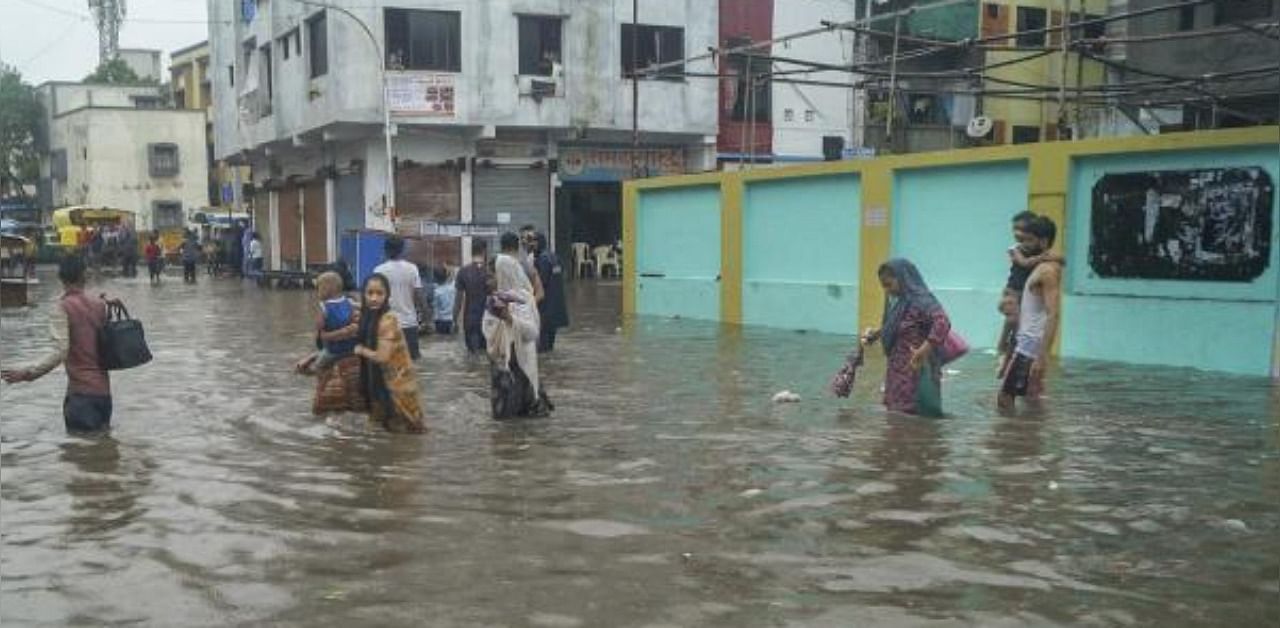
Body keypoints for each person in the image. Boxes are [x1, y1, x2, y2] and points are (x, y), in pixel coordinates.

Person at [2, 257, 114, 432]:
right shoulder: (100, 305)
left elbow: (60, 351)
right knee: (101, 450)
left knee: (79, 454)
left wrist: (27, 373)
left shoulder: (63, 307)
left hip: (81, 395)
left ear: (60, 278)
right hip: (104, 395)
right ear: (84, 277)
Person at [861, 259, 952, 417]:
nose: (887, 291)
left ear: (903, 278)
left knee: (916, 414)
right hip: (898, 370)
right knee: (897, 418)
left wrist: (923, 351)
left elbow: (942, 322)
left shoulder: (922, 300)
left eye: (889, 285)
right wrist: (875, 335)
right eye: (883, 286)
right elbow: (901, 326)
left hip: (916, 368)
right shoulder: (900, 303)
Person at [483, 233, 552, 419]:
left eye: (492, 276)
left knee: (518, 420)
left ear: (503, 274)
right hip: (502, 368)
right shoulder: (494, 300)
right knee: (502, 423)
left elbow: (532, 332)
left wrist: (509, 319)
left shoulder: (523, 300)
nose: (488, 281)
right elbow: (489, 332)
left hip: (520, 367)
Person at [999, 216, 1062, 412]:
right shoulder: (1041, 266)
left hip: (1030, 346)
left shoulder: (1047, 272)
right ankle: (1029, 438)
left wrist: (1042, 356)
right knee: (1031, 397)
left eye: (1028, 240)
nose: (1023, 244)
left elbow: (1053, 314)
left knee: (1005, 398)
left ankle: (1015, 439)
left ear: (1043, 242)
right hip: (1027, 342)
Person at [352, 273, 426, 433]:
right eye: (370, 293)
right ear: (363, 295)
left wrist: (361, 350)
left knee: (403, 433)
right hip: (379, 384)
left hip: (396, 389)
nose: (374, 298)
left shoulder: (388, 320)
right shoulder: (369, 315)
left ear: (387, 296)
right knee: (383, 431)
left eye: (379, 293)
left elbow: (382, 357)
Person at [372, 236, 427, 361]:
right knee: (412, 365)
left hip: (387, 325)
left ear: (385, 250)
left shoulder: (378, 271)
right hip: (409, 324)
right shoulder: (412, 269)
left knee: (389, 364)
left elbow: (374, 300)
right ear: (402, 250)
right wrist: (426, 318)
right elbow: (420, 295)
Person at [296, 272, 360, 375]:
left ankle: (308, 368)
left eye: (318, 288)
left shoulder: (323, 307)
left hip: (334, 350)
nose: (317, 292)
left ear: (325, 289)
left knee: (317, 367)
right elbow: (354, 319)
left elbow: (320, 331)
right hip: (351, 347)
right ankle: (314, 357)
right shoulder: (348, 302)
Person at [532, 232, 569, 353]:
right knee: (551, 343)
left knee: (543, 345)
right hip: (556, 305)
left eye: (534, 241)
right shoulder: (554, 257)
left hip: (545, 306)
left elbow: (540, 282)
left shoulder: (542, 259)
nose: (532, 244)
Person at [454, 240, 491, 354]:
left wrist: (454, 319)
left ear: (471, 252)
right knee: (488, 354)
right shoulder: (490, 271)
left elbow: (458, 299)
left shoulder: (463, 271)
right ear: (485, 251)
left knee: (473, 355)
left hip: (469, 319)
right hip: (488, 318)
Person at [518, 225, 546, 303]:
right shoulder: (523, 257)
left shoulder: (538, 259)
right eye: (522, 238)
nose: (524, 241)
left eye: (528, 238)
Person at [432, 267, 456, 335]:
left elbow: (435, 308)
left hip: (441, 321)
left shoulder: (436, 292)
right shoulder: (453, 288)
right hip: (452, 320)